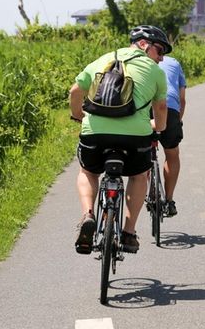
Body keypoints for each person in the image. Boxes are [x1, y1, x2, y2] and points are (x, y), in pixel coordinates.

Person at [69, 25, 170, 255]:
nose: (161, 57)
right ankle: (129, 232)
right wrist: (159, 127)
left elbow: (75, 91)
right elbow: (161, 107)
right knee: (138, 175)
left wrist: (78, 116)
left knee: (88, 171)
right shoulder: (155, 72)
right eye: (159, 50)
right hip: (135, 138)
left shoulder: (103, 59)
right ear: (143, 45)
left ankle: (88, 215)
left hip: (96, 133)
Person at [157, 55, 186, 217]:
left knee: (142, 155)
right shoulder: (174, 62)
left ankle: (147, 189)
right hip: (170, 108)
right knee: (172, 153)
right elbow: (182, 99)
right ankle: (169, 200)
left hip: (143, 109)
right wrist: (177, 121)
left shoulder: (133, 59)